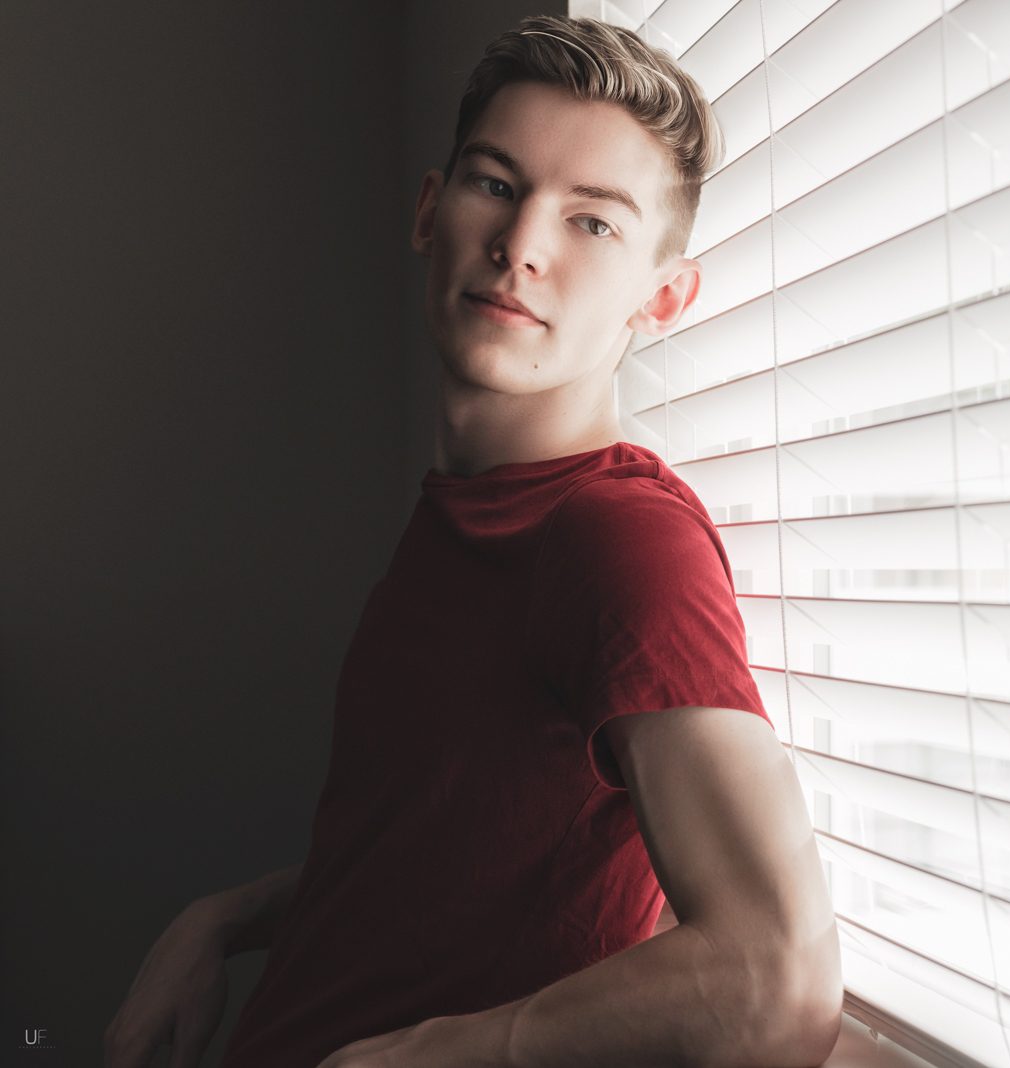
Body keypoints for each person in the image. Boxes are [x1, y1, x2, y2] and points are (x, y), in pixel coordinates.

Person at [103, 15, 843, 1068]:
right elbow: (437, 856)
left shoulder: (621, 538)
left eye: (592, 223)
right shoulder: (472, 509)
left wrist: (426, 1055)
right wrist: (220, 921)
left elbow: (779, 979)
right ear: (428, 210)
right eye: (496, 184)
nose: (522, 245)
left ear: (663, 298)